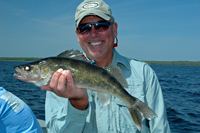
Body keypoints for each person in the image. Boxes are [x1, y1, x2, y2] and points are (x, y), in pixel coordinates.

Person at [41, 0, 171, 132]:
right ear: (78, 35)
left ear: (114, 29)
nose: (93, 33)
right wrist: (77, 103)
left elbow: (160, 128)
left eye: (101, 26)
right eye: (84, 28)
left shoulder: (144, 73)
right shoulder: (58, 78)